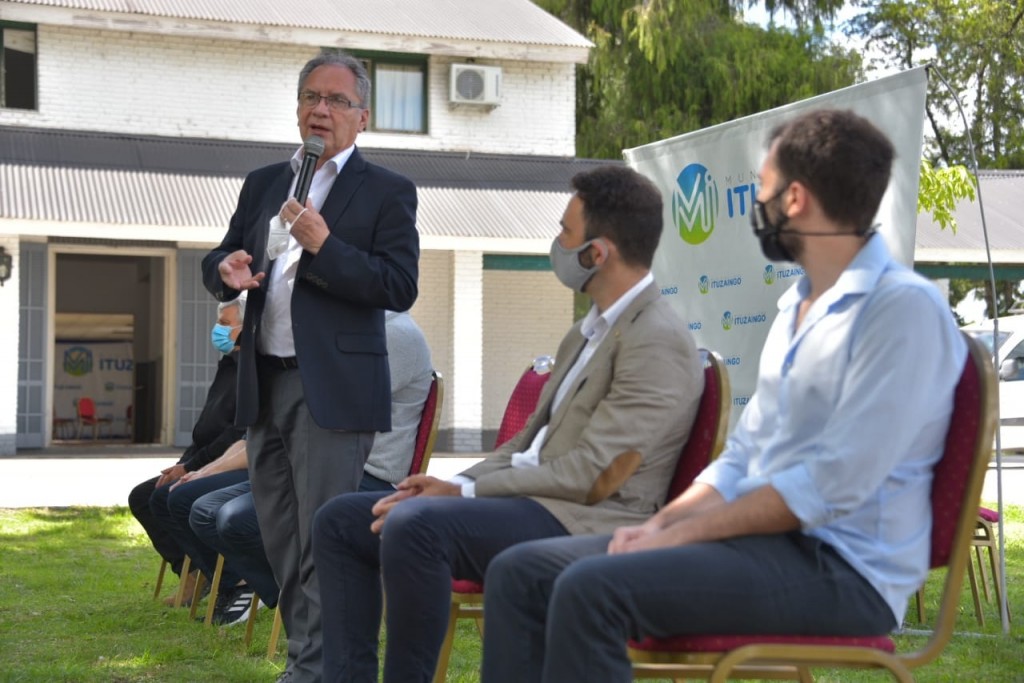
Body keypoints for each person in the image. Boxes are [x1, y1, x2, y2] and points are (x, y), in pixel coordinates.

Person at [479, 109, 968, 683]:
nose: (756, 205)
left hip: (843, 569)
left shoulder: (901, 310)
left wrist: (680, 534)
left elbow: (826, 488)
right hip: (762, 545)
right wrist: (662, 526)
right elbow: (742, 460)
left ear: (795, 199)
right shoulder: (796, 307)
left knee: (592, 590)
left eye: (763, 189)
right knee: (519, 573)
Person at [312, 165, 705, 683]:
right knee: (341, 520)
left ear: (597, 253)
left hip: (586, 518)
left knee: (415, 526)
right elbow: (527, 442)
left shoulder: (654, 338)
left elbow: (595, 474)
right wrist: (454, 482)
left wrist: (463, 494)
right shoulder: (585, 332)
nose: (557, 243)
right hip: (535, 504)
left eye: (565, 232)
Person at [200, 50, 419, 683]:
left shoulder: (386, 191)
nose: (321, 110)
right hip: (262, 382)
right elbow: (223, 254)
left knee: (326, 543)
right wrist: (223, 270)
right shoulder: (264, 182)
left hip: (333, 389)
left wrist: (324, 246)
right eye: (310, 98)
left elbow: (398, 285)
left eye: (337, 101)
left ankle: (331, 670)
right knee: (281, 541)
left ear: (363, 117)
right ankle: (308, 663)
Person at [186, 310, 433, 629]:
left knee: (236, 520)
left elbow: (337, 406)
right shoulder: (353, 328)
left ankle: (314, 603)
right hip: (315, 463)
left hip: (366, 474)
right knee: (205, 511)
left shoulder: (396, 334)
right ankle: (301, 596)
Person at [127, 296, 247, 604]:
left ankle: (227, 580)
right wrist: (183, 464)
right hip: (201, 458)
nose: (217, 329)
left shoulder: (250, 370)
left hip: (228, 462)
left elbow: (237, 434)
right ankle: (192, 572)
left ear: (246, 328)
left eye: (225, 323)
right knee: (143, 496)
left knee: (168, 498)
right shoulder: (228, 365)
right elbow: (206, 428)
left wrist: (193, 467)